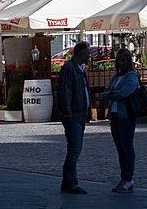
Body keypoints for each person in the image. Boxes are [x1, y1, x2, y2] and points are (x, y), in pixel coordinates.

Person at [102, 48, 140, 194]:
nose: (121, 63)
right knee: (120, 148)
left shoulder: (131, 76)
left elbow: (124, 92)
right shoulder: (116, 76)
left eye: (123, 60)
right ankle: (123, 178)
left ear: (128, 61)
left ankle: (129, 179)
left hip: (126, 115)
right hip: (115, 115)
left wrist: (112, 94)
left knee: (127, 146)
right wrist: (112, 94)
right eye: (119, 60)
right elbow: (106, 92)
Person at [58, 41, 91, 194]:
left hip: (80, 114)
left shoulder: (80, 69)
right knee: (74, 149)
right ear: (80, 53)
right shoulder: (69, 68)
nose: (89, 55)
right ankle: (71, 182)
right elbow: (66, 91)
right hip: (73, 115)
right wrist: (67, 111)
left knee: (75, 149)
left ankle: (68, 181)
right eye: (87, 52)